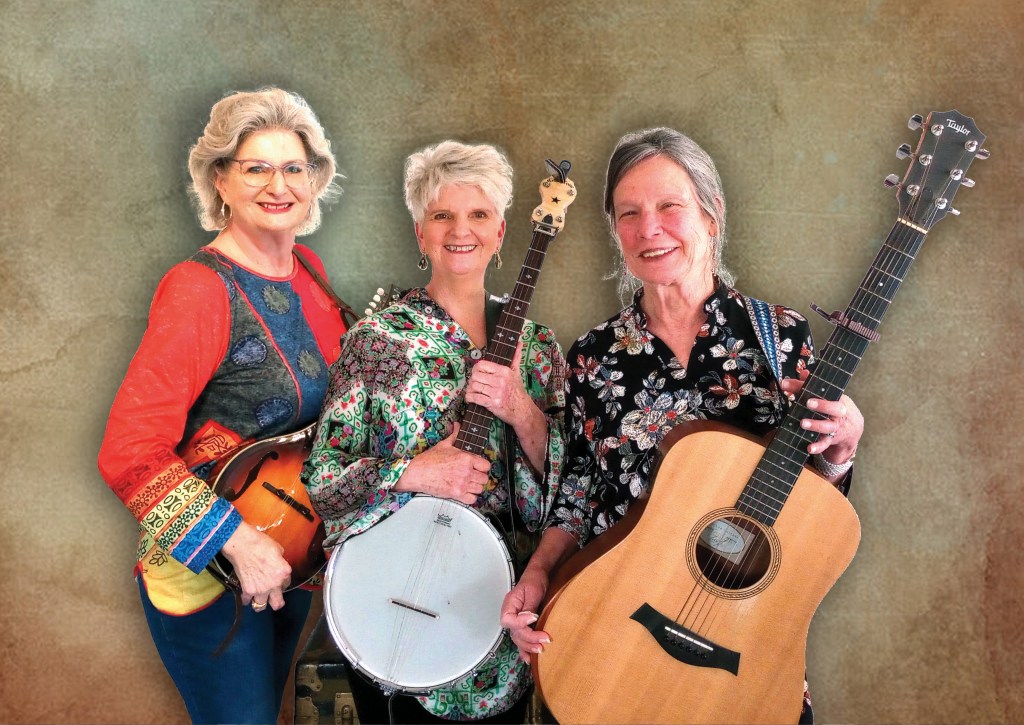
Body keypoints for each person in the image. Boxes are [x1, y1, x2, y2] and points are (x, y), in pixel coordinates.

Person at [500, 127, 864, 723]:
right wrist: (537, 575)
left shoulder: (780, 337)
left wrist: (839, 451)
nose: (650, 229)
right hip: (618, 626)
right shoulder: (592, 355)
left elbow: (810, 509)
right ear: (615, 230)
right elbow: (577, 493)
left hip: (738, 642)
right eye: (629, 213)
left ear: (711, 215)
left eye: (670, 206)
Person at [97, 88, 349, 724]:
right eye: (256, 167)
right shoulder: (199, 289)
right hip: (211, 570)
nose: (278, 186)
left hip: (290, 553)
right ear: (220, 180)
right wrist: (238, 542)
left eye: (293, 168)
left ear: (314, 179)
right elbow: (129, 450)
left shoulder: (308, 270)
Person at [302, 140, 566, 723]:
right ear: (421, 234)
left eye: (478, 214)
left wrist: (521, 409)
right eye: (442, 215)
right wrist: (413, 471)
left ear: (500, 232)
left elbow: (571, 494)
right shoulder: (375, 342)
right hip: (389, 604)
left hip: (496, 611)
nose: (460, 230)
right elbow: (322, 482)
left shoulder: (538, 347)